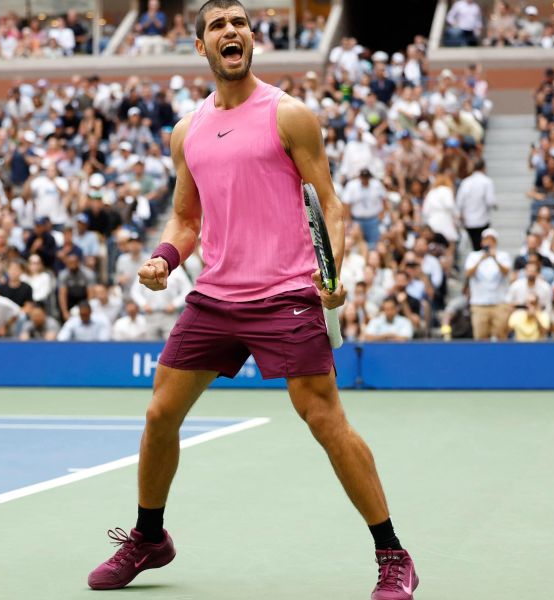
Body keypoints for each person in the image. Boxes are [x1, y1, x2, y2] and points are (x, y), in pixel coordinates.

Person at [87, 4, 418, 600]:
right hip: (214, 295)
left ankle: (393, 554)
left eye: (239, 23)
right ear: (201, 46)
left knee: (323, 417)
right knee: (161, 414)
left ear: (251, 39)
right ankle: (149, 537)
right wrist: (165, 256)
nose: (230, 32)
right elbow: (187, 218)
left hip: (286, 293)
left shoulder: (288, 115)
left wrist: (331, 274)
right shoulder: (186, 131)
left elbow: (331, 206)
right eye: (218, 26)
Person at [463, 228, 510, 340]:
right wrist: (481, 260)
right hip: (479, 304)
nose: (488, 242)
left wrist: (495, 258)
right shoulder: (474, 256)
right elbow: (468, 273)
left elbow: (506, 272)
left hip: (499, 303)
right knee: (480, 337)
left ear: (495, 242)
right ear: (481, 242)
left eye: (491, 240)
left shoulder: (503, 256)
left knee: (501, 336)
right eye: (486, 240)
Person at [455, 158, 495, 251]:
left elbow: (459, 201)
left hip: (469, 221)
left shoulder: (466, 182)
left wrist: (459, 214)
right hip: (482, 219)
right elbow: (490, 201)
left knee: (475, 245)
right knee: (482, 245)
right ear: (484, 168)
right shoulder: (487, 182)